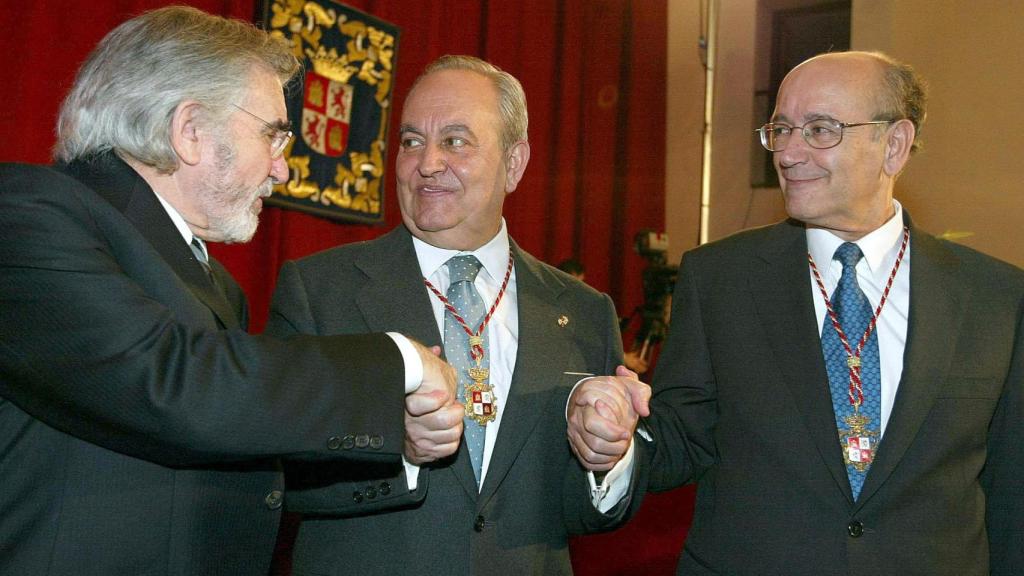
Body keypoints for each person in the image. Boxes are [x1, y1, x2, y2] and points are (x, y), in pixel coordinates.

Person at [0, 7, 463, 576]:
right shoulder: (25, 214)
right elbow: (173, 385)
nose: (282, 169)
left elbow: (236, 444)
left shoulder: (216, 282)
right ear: (190, 131)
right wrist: (398, 360)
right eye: (273, 134)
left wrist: (400, 443)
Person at [568, 51, 1023, 575]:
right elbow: (682, 441)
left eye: (820, 129)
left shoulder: (995, 297)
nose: (787, 152)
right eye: (781, 128)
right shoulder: (721, 279)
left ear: (893, 145)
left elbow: (1011, 492)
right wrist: (619, 441)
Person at [267, 55, 649, 575]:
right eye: (410, 141)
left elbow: (581, 512)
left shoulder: (582, 311)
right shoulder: (319, 292)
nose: (426, 163)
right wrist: (395, 446)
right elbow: (279, 476)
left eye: (454, 141)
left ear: (514, 163)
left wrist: (609, 458)